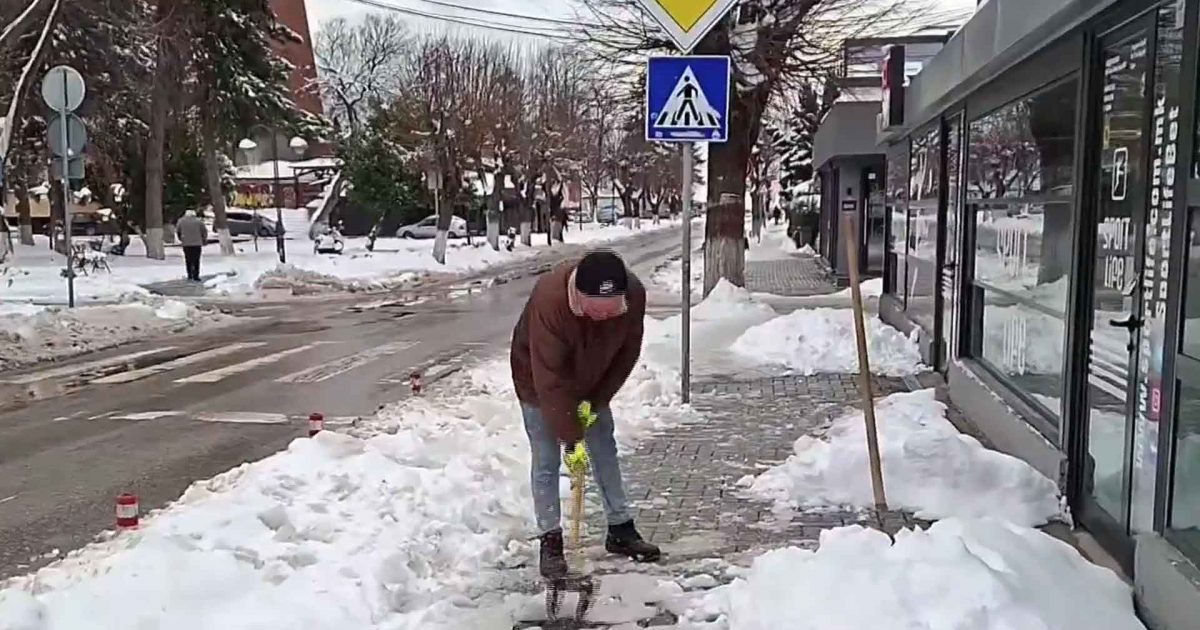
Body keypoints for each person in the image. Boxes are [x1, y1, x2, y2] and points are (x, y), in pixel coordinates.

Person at [510, 249, 660, 578]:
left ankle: (621, 529)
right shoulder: (550, 300)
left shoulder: (633, 295)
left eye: (612, 312)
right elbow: (549, 379)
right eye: (596, 312)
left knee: (604, 447)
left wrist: (596, 401)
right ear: (578, 295)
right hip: (537, 380)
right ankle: (550, 541)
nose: (605, 318)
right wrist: (572, 438)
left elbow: (626, 355)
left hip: (592, 379)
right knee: (547, 459)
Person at [176, 209, 208, 282]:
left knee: (188, 259)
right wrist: (203, 239)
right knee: (196, 260)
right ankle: (196, 275)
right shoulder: (199, 221)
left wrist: (181, 239)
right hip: (197, 244)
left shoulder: (181, 221)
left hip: (186, 244)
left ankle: (190, 275)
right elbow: (204, 231)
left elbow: (178, 231)